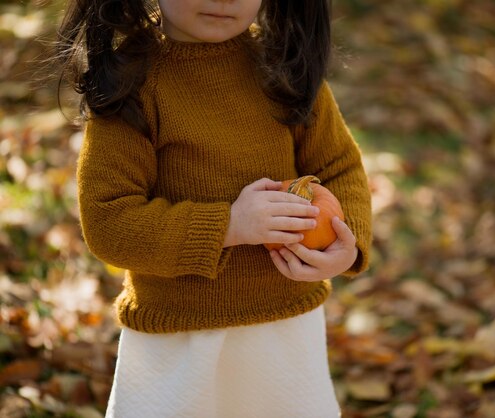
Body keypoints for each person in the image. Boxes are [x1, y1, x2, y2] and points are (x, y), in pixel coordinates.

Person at [57, 0, 371, 416]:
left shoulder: (281, 67)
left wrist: (347, 245)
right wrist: (229, 225)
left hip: (285, 331)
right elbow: (109, 221)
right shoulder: (131, 82)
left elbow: (339, 167)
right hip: (180, 340)